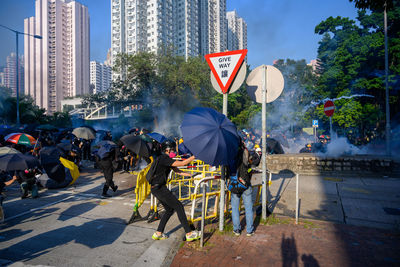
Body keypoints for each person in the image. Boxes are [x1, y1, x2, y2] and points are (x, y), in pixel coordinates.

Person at [149, 140, 200, 242]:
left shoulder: (163, 159)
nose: (174, 152)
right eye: (173, 149)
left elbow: (178, 171)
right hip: (160, 188)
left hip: (156, 188)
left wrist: (191, 175)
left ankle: (158, 233)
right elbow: (183, 163)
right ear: (167, 150)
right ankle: (189, 233)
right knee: (179, 206)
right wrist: (195, 156)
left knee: (169, 210)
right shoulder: (164, 159)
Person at [230, 143, 260, 237]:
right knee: (248, 208)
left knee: (235, 208)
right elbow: (254, 163)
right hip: (245, 183)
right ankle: (249, 230)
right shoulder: (246, 152)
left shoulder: (229, 153)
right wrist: (259, 155)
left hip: (234, 183)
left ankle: (237, 230)